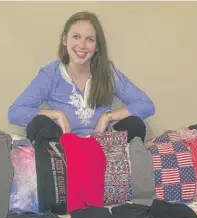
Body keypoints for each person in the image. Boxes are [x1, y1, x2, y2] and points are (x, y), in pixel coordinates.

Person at [8, 11, 155, 143]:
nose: (82, 45)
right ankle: (57, 171)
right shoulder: (51, 74)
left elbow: (146, 105)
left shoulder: (108, 72)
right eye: (76, 37)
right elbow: (15, 113)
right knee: (39, 124)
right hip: (63, 147)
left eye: (90, 39)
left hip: (102, 147)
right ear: (65, 40)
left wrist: (107, 117)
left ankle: (114, 171)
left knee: (135, 124)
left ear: (97, 46)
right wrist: (57, 114)